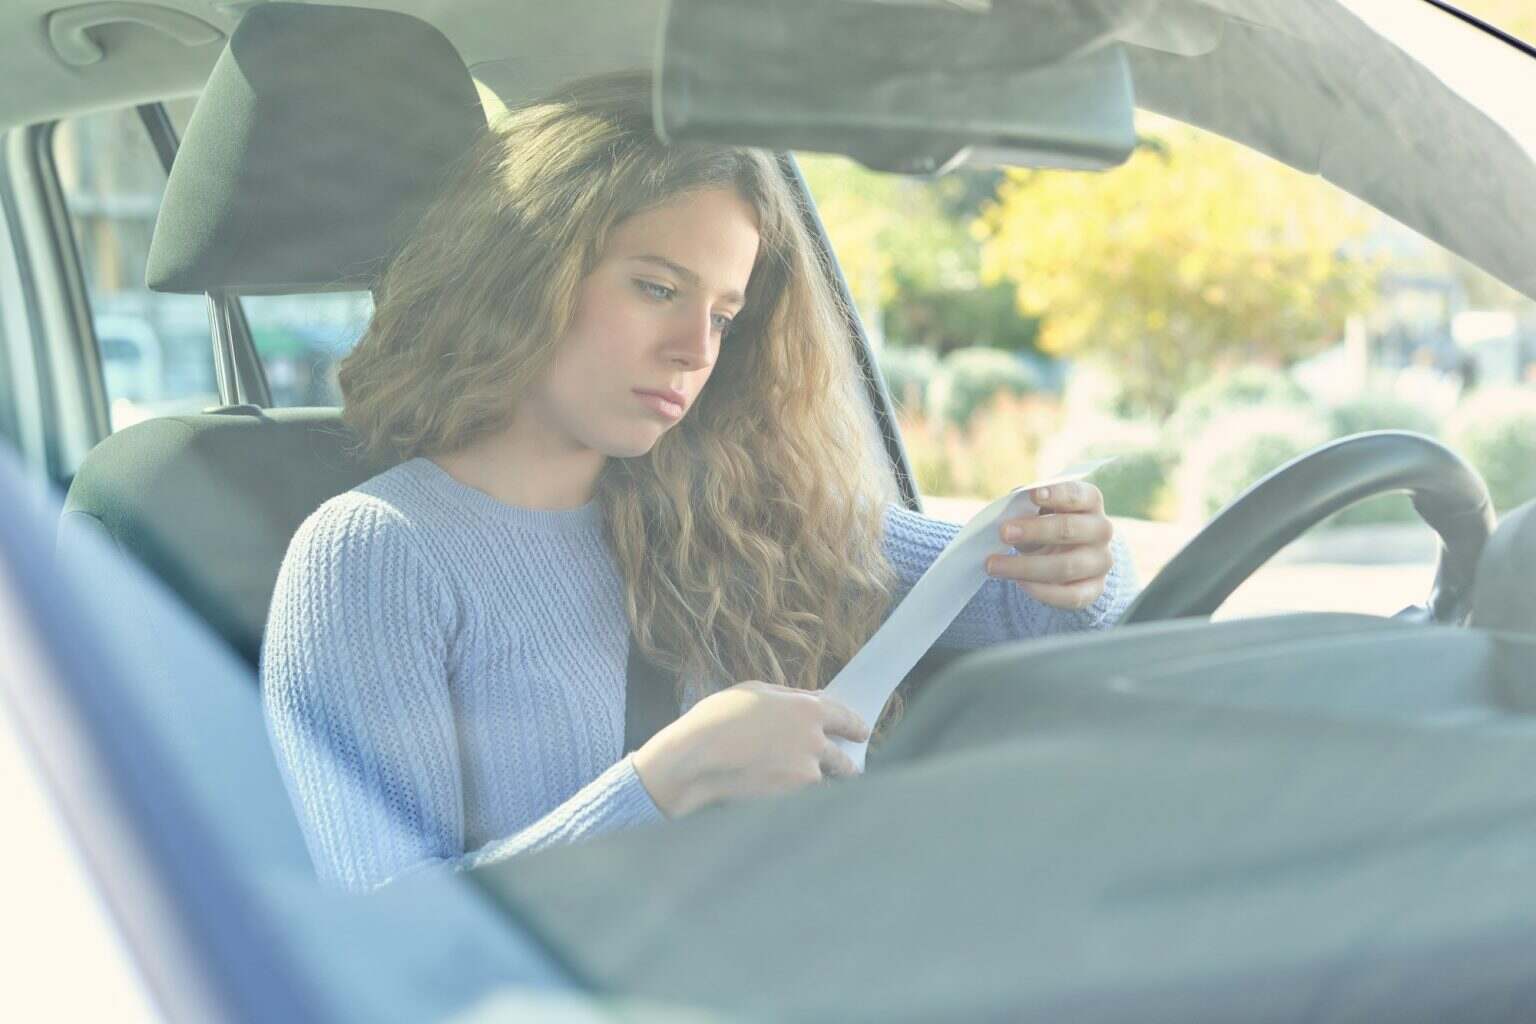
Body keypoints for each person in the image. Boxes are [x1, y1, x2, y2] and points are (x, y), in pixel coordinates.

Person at [259, 71, 1137, 893]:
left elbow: (1015, 595)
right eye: (655, 287)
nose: (696, 349)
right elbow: (384, 941)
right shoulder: (372, 556)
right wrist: (667, 782)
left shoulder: (738, 505)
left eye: (723, 315)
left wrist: (1082, 559)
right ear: (523, 273)